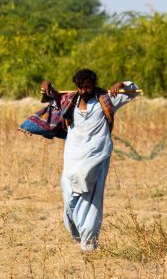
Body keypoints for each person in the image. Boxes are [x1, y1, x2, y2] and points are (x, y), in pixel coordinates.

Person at [38, 68, 140, 252]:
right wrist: (46, 85)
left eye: (89, 87)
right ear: (77, 87)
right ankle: (79, 236)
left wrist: (123, 84)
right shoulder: (69, 101)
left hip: (96, 158)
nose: (85, 91)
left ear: (93, 86)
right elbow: (49, 95)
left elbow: (134, 91)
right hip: (72, 159)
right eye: (82, 87)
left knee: (91, 201)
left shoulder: (106, 100)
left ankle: (90, 244)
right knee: (69, 200)